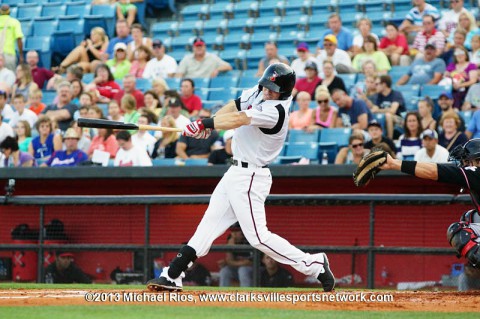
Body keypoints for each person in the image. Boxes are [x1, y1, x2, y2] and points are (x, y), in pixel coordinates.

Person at [146, 63, 335, 293]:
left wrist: (204, 123)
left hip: (252, 175)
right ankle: (173, 274)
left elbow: (239, 119)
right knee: (208, 225)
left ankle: (313, 264)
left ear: (284, 92)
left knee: (258, 237)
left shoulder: (277, 111)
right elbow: (235, 105)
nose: (267, 91)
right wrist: (211, 123)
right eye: (266, 86)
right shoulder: (260, 90)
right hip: (235, 172)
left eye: (273, 89)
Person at [379, 139, 480, 276]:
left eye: (467, 161)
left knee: (459, 232)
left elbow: (434, 171)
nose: (464, 164)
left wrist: (394, 163)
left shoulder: (477, 173)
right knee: (469, 218)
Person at [218, 222, 253, 287]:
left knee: (242, 270)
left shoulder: (250, 239)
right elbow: (229, 260)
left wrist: (231, 263)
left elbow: (250, 262)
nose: (234, 234)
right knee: (224, 271)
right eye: (232, 231)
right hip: (238, 269)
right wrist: (230, 248)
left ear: (242, 231)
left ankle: (245, 295)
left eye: (237, 231)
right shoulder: (231, 239)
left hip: (256, 271)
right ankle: (222, 295)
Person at [371, 75, 406, 139]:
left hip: (400, 120)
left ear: (384, 84)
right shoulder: (379, 96)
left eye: (377, 84)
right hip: (386, 118)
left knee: (388, 115)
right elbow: (374, 110)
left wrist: (378, 110)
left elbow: (393, 111)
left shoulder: (396, 94)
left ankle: (390, 139)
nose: (375, 86)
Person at [0, 4, 24, 71]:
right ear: (9, 11)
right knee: (10, 77)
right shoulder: (14, 22)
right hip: (9, 55)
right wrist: (21, 55)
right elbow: (19, 38)